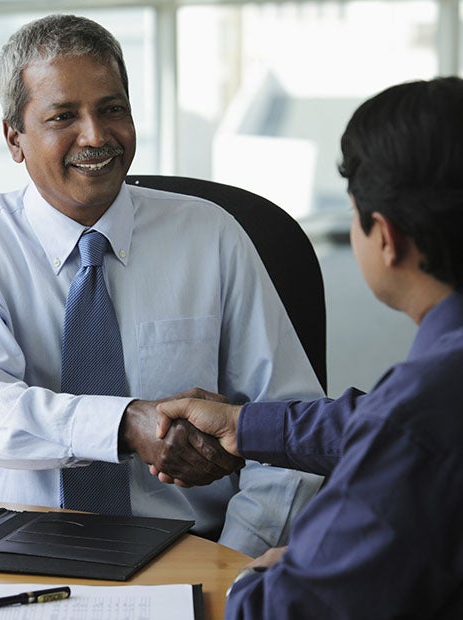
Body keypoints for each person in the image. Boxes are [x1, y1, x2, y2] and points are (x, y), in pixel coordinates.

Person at [0, 14, 324, 558]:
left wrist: (236, 562)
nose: (96, 136)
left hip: (199, 548)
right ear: (14, 138)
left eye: (112, 109)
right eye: (63, 116)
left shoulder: (211, 234)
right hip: (23, 554)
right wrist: (123, 424)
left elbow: (289, 425)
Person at [156, 76, 463, 618]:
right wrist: (243, 424)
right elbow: (381, 421)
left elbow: (285, 608)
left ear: (386, 237)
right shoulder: (432, 396)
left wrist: (258, 576)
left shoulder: (417, 417)